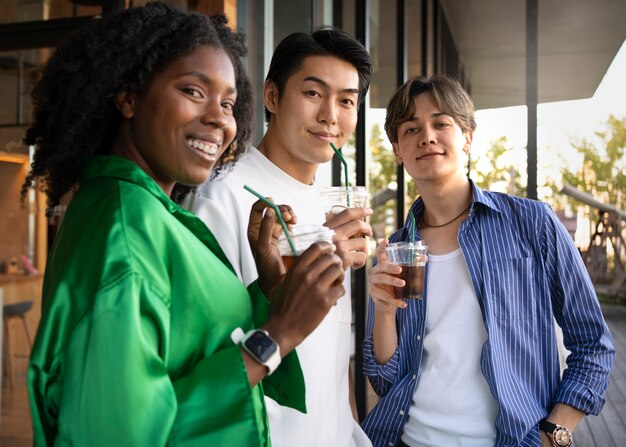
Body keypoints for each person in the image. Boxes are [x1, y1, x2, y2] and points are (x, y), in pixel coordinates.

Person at [22, 3, 346, 445]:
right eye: (194, 91)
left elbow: (185, 347)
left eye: (228, 102)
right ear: (129, 96)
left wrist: (270, 291)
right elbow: (117, 433)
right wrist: (276, 335)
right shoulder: (125, 229)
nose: (219, 118)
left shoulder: (150, 209)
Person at [361, 75, 615, 447]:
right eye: (411, 128)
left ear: (467, 137)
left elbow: (593, 343)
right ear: (398, 150)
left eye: (441, 123)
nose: (427, 136)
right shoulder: (397, 251)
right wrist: (384, 312)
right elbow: (385, 382)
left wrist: (553, 436)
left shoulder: (532, 223)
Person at [185, 28, 374, 446]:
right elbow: (210, 353)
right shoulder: (223, 197)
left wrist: (349, 424)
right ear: (272, 97)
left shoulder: (328, 205)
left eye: (347, 101)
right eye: (313, 93)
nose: (331, 115)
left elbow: (329, 347)